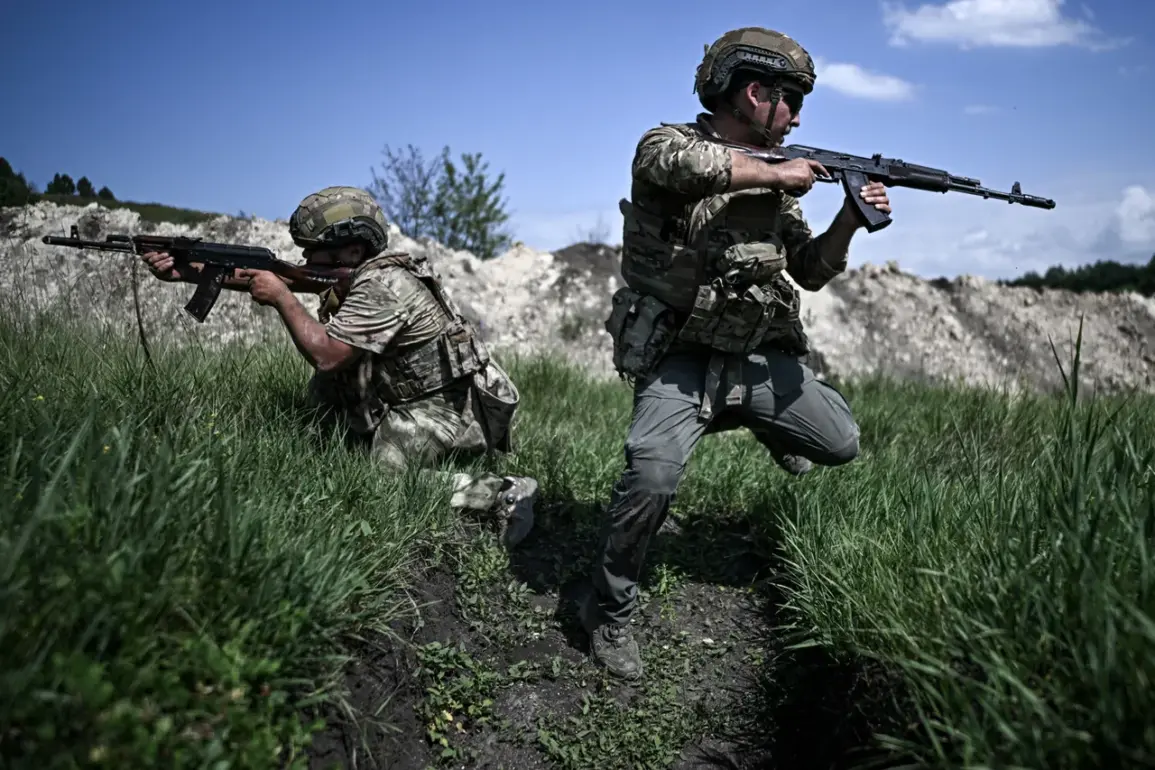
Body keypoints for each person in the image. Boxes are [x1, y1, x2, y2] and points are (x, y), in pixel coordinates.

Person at [585, 27, 892, 679]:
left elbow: (808, 271)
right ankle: (608, 612)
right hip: (679, 359)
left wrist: (848, 219)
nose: (797, 118)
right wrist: (780, 172)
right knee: (652, 479)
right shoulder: (665, 145)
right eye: (790, 101)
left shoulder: (779, 182)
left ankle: (758, 419)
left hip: (751, 355)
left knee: (840, 443)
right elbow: (687, 168)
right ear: (754, 93)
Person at [139, 186, 539, 547]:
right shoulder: (362, 273)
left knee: (385, 480)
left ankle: (502, 491)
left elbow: (327, 354)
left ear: (351, 251)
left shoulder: (382, 286)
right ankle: (346, 442)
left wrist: (281, 299)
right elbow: (286, 278)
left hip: (447, 407)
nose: (305, 259)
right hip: (411, 393)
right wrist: (186, 272)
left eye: (314, 250)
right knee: (324, 394)